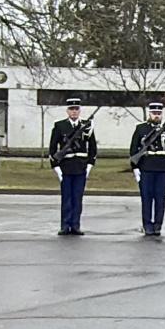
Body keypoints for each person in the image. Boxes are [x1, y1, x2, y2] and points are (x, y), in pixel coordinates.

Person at [49, 98, 98, 235]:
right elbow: (53, 148)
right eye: (71, 109)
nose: (74, 112)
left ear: (79, 110)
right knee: (66, 198)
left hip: (80, 166)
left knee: (77, 198)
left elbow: (92, 147)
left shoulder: (86, 126)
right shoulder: (59, 126)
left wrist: (89, 165)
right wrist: (56, 167)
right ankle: (65, 225)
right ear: (67, 111)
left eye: (76, 109)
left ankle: (75, 225)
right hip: (66, 166)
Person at [130, 102, 165, 236]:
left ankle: (158, 224)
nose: (157, 116)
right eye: (154, 113)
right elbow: (134, 149)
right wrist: (135, 169)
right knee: (146, 198)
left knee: (160, 199)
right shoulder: (141, 129)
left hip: (163, 169)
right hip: (146, 168)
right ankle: (147, 225)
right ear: (150, 114)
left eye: (159, 113)